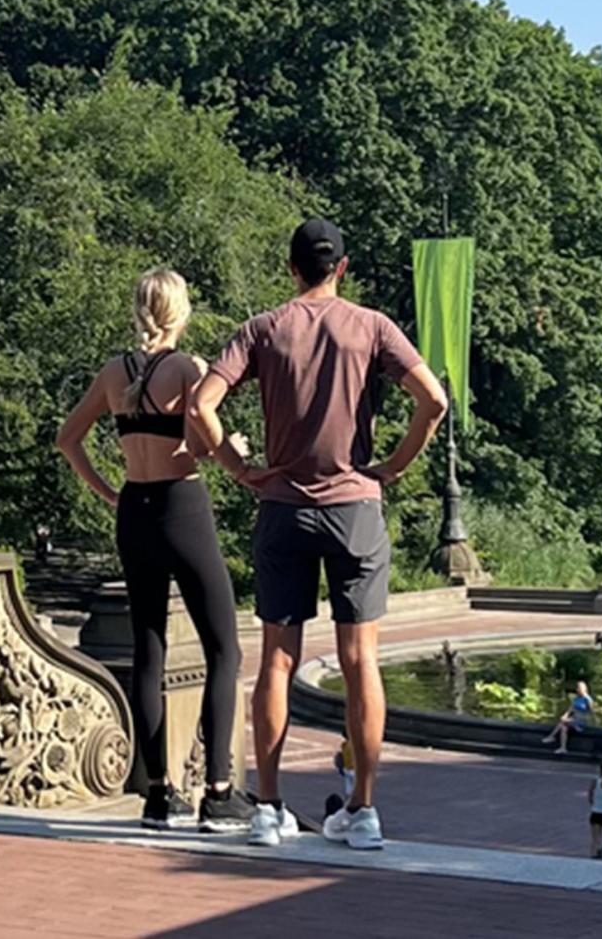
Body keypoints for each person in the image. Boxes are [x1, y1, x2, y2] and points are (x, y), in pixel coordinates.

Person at [189, 218, 448, 850]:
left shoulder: (263, 329)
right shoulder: (373, 328)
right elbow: (433, 402)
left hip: (282, 508)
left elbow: (201, 405)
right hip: (356, 508)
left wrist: (241, 468)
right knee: (360, 661)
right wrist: (391, 467)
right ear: (344, 266)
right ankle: (362, 811)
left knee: (278, 658)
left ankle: (269, 808)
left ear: (291, 268)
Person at [55, 268, 254, 834]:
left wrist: (108, 491)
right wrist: (231, 449)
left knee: (149, 651)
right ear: (180, 313)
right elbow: (199, 440)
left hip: (134, 510)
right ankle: (218, 792)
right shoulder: (188, 369)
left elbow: (68, 439)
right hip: (181, 509)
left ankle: (158, 795)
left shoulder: (114, 373)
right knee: (223, 648)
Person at [543, 680, 593, 755]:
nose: (577, 690)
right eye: (577, 688)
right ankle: (563, 748)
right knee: (563, 727)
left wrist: (593, 720)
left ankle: (552, 736)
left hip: (581, 721)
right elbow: (570, 709)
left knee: (564, 722)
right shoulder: (577, 698)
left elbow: (590, 712)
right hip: (574, 720)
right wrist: (565, 715)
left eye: (579, 688)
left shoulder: (587, 699)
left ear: (583, 689)